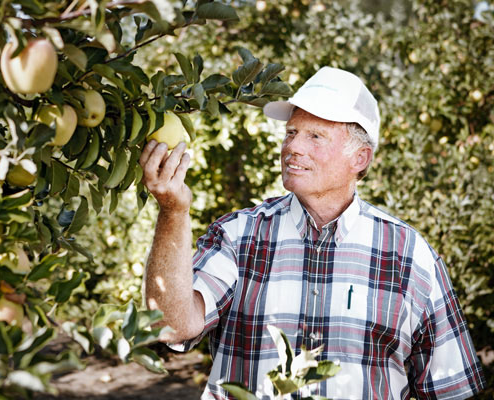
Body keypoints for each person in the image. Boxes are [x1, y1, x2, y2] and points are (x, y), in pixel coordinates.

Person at [138, 66, 485, 399]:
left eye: (315, 136)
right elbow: (171, 325)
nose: (293, 147)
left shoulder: (409, 255)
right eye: (291, 133)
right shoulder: (239, 236)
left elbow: (450, 389)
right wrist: (173, 211)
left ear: (360, 158)